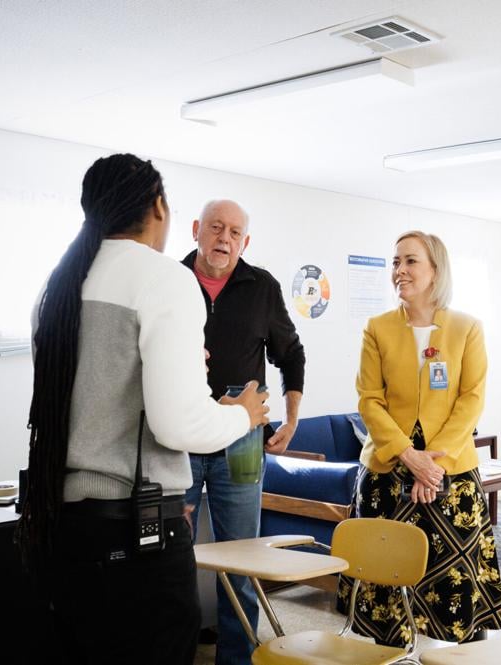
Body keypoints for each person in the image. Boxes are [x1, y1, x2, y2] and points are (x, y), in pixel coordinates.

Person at [16, 154, 270, 665]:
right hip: (136, 537)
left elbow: (99, 393)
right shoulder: (162, 277)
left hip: (62, 529)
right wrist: (245, 413)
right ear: (159, 208)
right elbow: (180, 423)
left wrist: (181, 373)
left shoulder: (58, 284)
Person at [338, 230, 501, 646]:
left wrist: (432, 466)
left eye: (410, 261)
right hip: (385, 473)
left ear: (435, 270)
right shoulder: (377, 328)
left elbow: (470, 400)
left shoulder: (467, 328)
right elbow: (369, 400)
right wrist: (408, 456)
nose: (400, 270)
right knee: (384, 583)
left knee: (455, 583)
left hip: (450, 475)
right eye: (395, 262)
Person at [182, 199, 305, 665]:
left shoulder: (263, 287)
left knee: (243, 559)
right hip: (184, 434)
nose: (224, 239)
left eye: (235, 232)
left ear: (245, 242)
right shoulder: (172, 281)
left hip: (244, 441)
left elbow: (291, 354)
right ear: (197, 230)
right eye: (216, 228)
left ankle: (235, 659)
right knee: (174, 554)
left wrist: (291, 418)